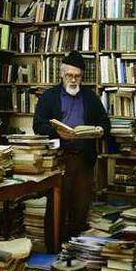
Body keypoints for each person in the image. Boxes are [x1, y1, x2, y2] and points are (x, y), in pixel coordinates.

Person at [33, 51, 110, 248]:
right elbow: (38, 125)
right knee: (57, 208)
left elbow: (105, 122)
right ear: (62, 75)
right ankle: (54, 251)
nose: (73, 80)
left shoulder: (90, 97)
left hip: (84, 159)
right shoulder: (49, 97)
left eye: (77, 76)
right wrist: (58, 133)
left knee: (81, 208)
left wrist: (101, 130)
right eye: (69, 76)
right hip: (59, 159)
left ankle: (76, 253)